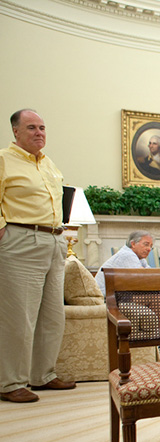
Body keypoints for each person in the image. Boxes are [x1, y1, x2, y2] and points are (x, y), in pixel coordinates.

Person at [0, 109, 76, 403]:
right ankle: (10, 382)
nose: (39, 132)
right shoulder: (4, 160)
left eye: (42, 127)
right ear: (16, 132)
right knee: (19, 317)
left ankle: (42, 375)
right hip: (21, 241)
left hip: (54, 241)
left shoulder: (48, 164)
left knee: (51, 316)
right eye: (31, 127)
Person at [95, 230, 160, 358]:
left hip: (119, 296)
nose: (149, 249)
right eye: (146, 244)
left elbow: (152, 276)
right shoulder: (127, 255)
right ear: (133, 244)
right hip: (108, 300)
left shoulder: (139, 258)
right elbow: (143, 282)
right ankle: (159, 341)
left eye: (151, 246)